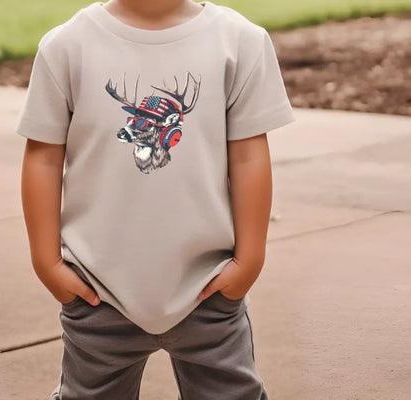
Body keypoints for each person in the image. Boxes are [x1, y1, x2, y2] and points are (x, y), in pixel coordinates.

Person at [16, 0, 295, 398]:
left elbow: (250, 156)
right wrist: (47, 263)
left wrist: (249, 260)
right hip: (97, 290)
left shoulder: (239, 42)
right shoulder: (67, 46)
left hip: (208, 288)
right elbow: (43, 157)